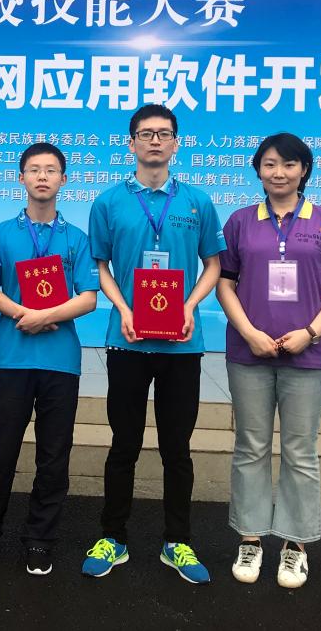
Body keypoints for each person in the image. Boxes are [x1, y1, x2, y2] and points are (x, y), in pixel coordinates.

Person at [82, 104, 224, 583]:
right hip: (127, 341)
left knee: (176, 448)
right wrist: (123, 309)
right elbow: (100, 267)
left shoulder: (197, 202)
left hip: (182, 344)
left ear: (176, 143)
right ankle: (113, 537)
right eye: (146, 134)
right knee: (123, 444)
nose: (155, 141)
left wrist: (189, 306)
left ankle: (177, 541)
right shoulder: (108, 202)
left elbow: (213, 265)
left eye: (164, 134)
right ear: (132, 143)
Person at [216, 133, 321, 589]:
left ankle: (295, 545)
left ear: (304, 170)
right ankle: (250, 538)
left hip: (309, 355)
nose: (278, 172)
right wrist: (249, 332)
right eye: (269, 164)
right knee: (251, 448)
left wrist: (310, 332)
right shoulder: (241, 221)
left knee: (300, 452)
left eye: (288, 164)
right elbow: (224, 283)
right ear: (257, 170)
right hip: (250, 354)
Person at [0, 143, 99, 576]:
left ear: (64, 180)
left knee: (54, 456)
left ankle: (40, 539)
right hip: (13, 357)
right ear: (21, 178)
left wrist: (47, 316)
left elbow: (89, 298)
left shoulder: (76, 238)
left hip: (61, 362)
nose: (43, 176)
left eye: (51, 170)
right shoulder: (1, 233)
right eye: (34, 170)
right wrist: (25, 315)